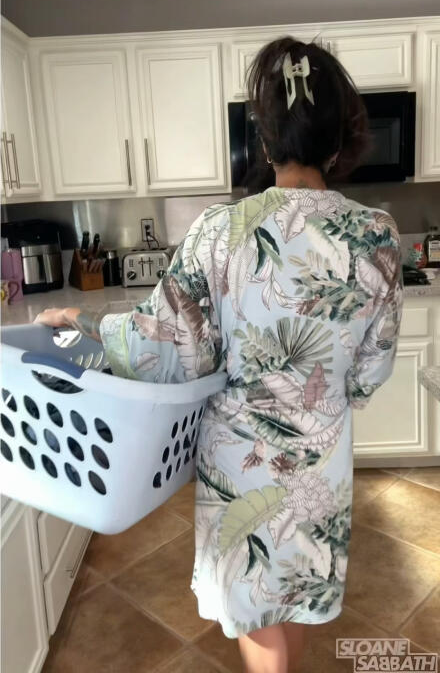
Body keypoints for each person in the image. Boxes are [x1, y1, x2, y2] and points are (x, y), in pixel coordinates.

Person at [34, 37, 403, 673]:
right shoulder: (378, 237)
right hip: (321, 458)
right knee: (293, 592)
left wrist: (81, 320)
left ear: (266, 142)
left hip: (241, 461)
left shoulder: (219, 232)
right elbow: (371, 371)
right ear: (339, 143)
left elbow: (163, 346)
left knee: (255, 598)